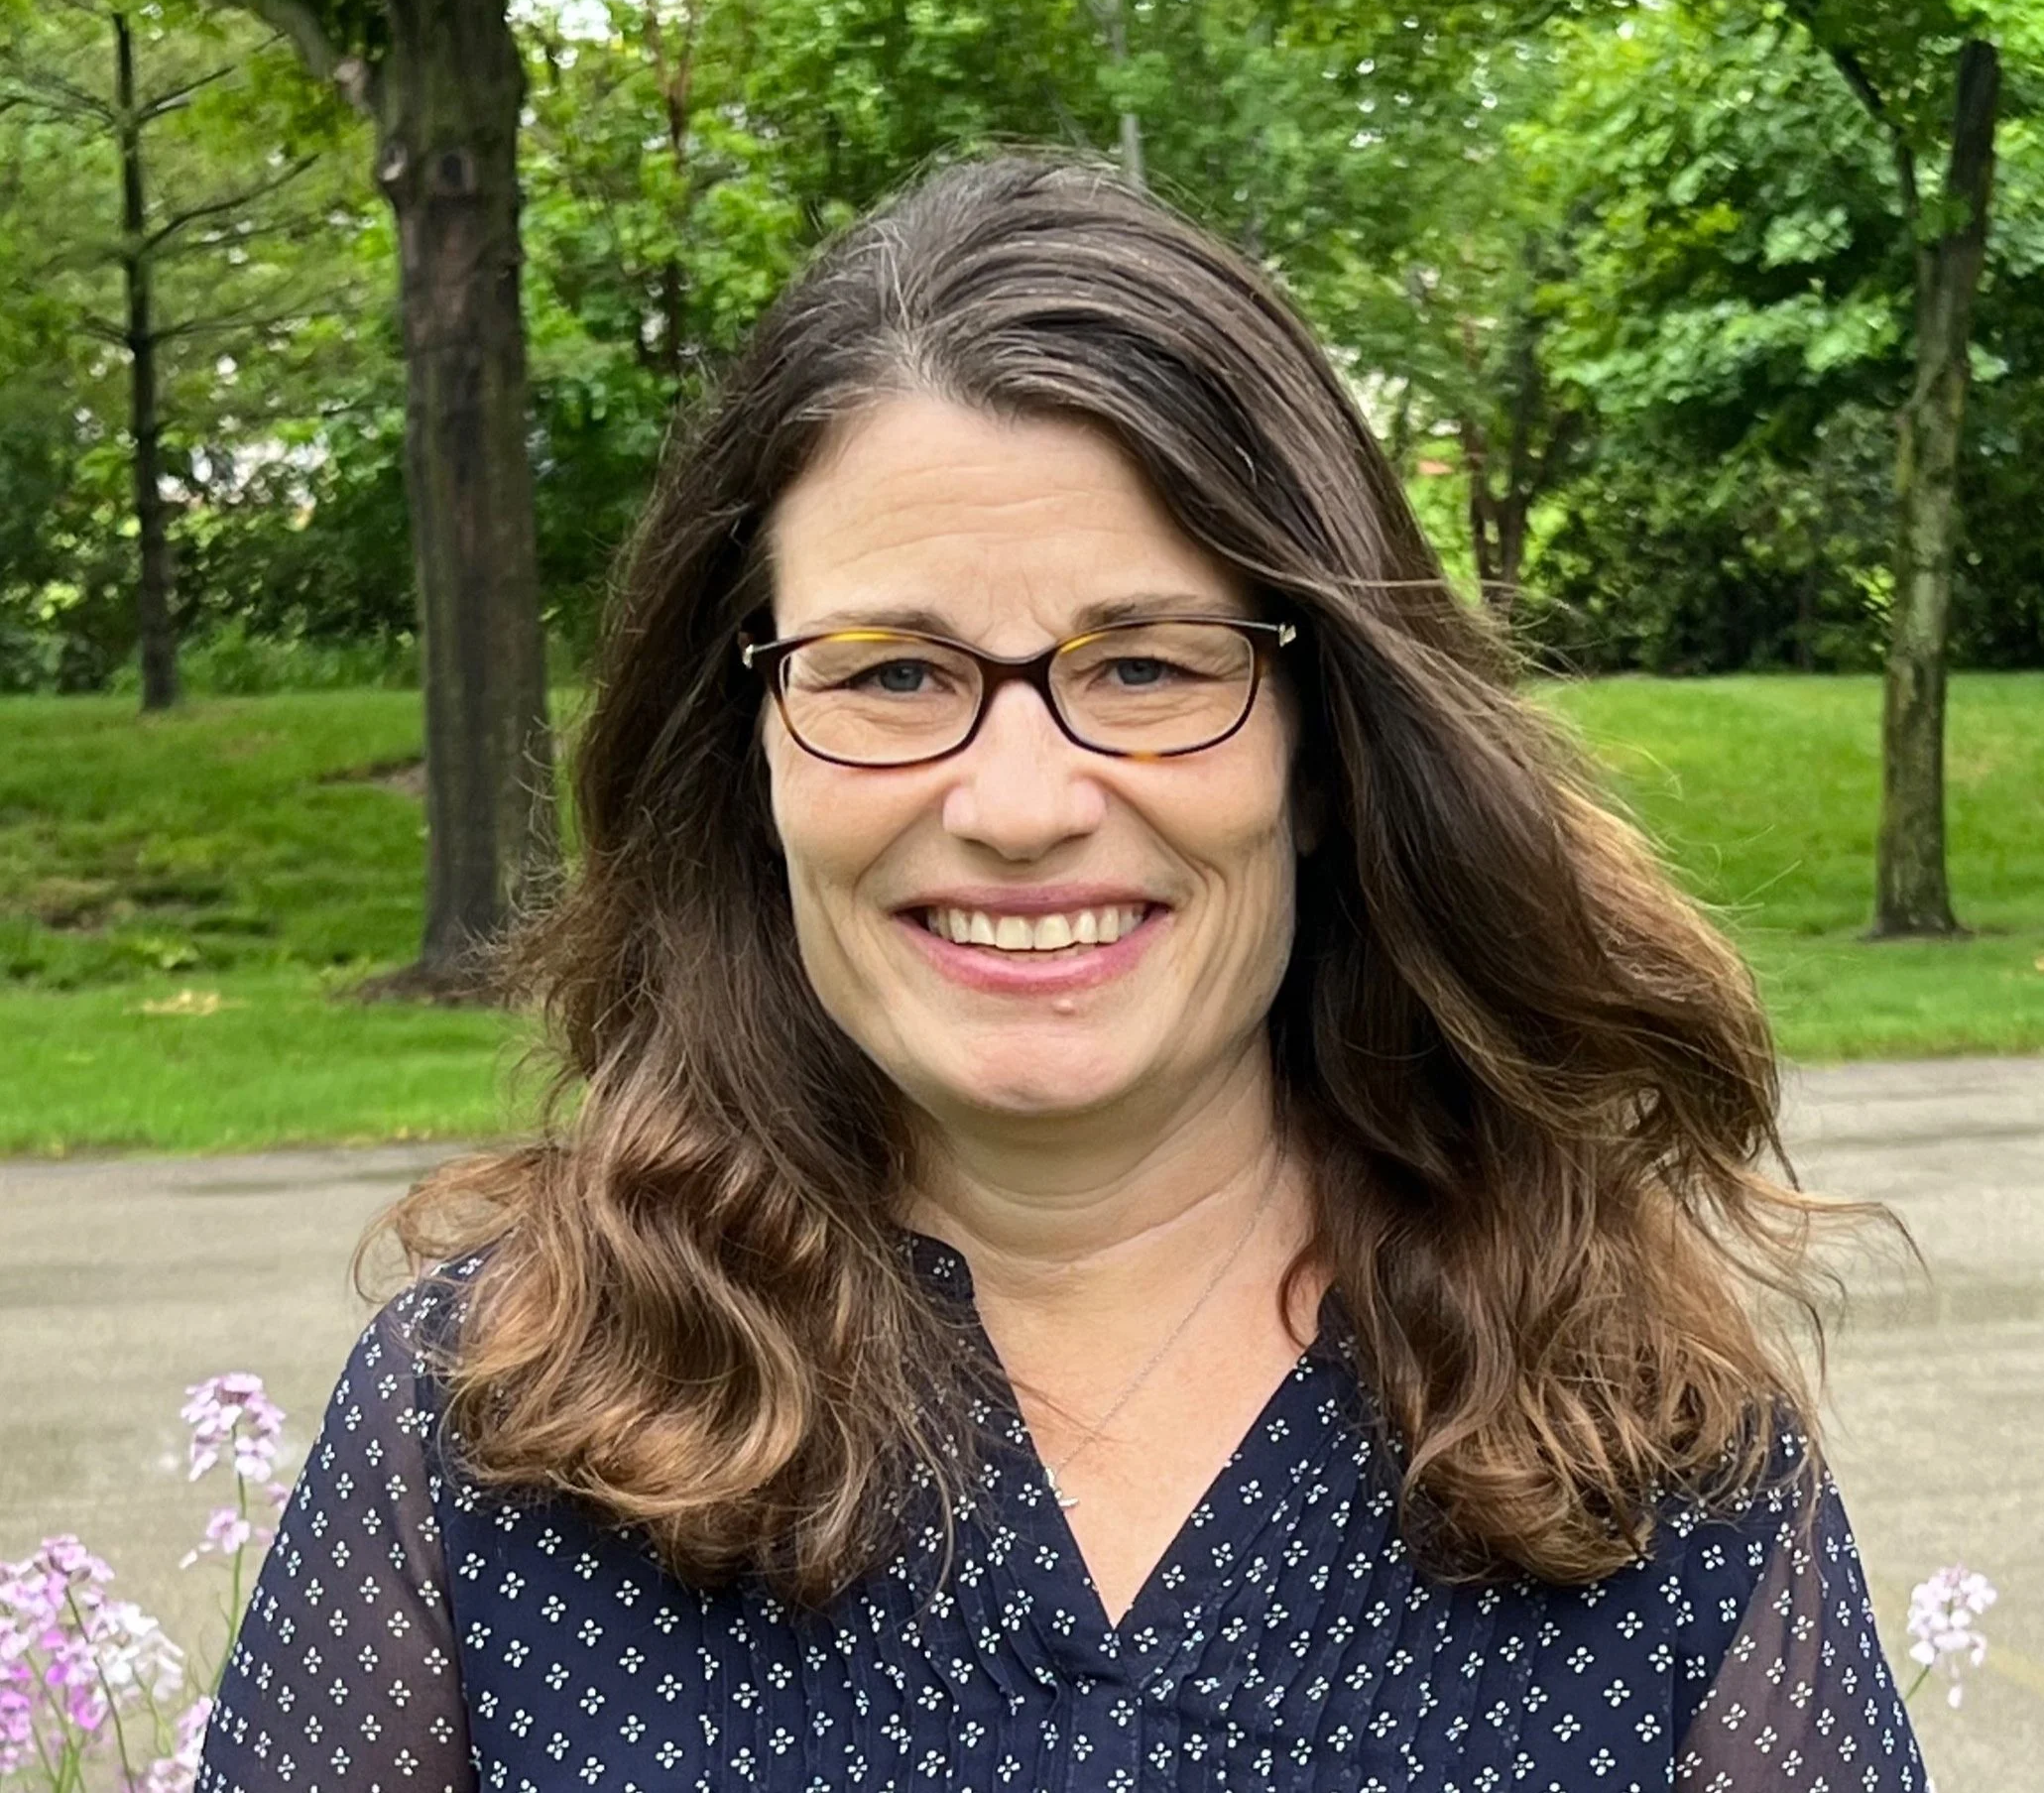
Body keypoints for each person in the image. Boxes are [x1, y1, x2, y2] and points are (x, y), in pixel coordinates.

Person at [196, 155, 1925, 1792]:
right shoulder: (487, 1440)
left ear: (1325, 753)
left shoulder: (1648, 1449)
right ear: (752, 758)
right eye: (888, 675)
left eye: (1151, 667)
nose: (1020, 806)